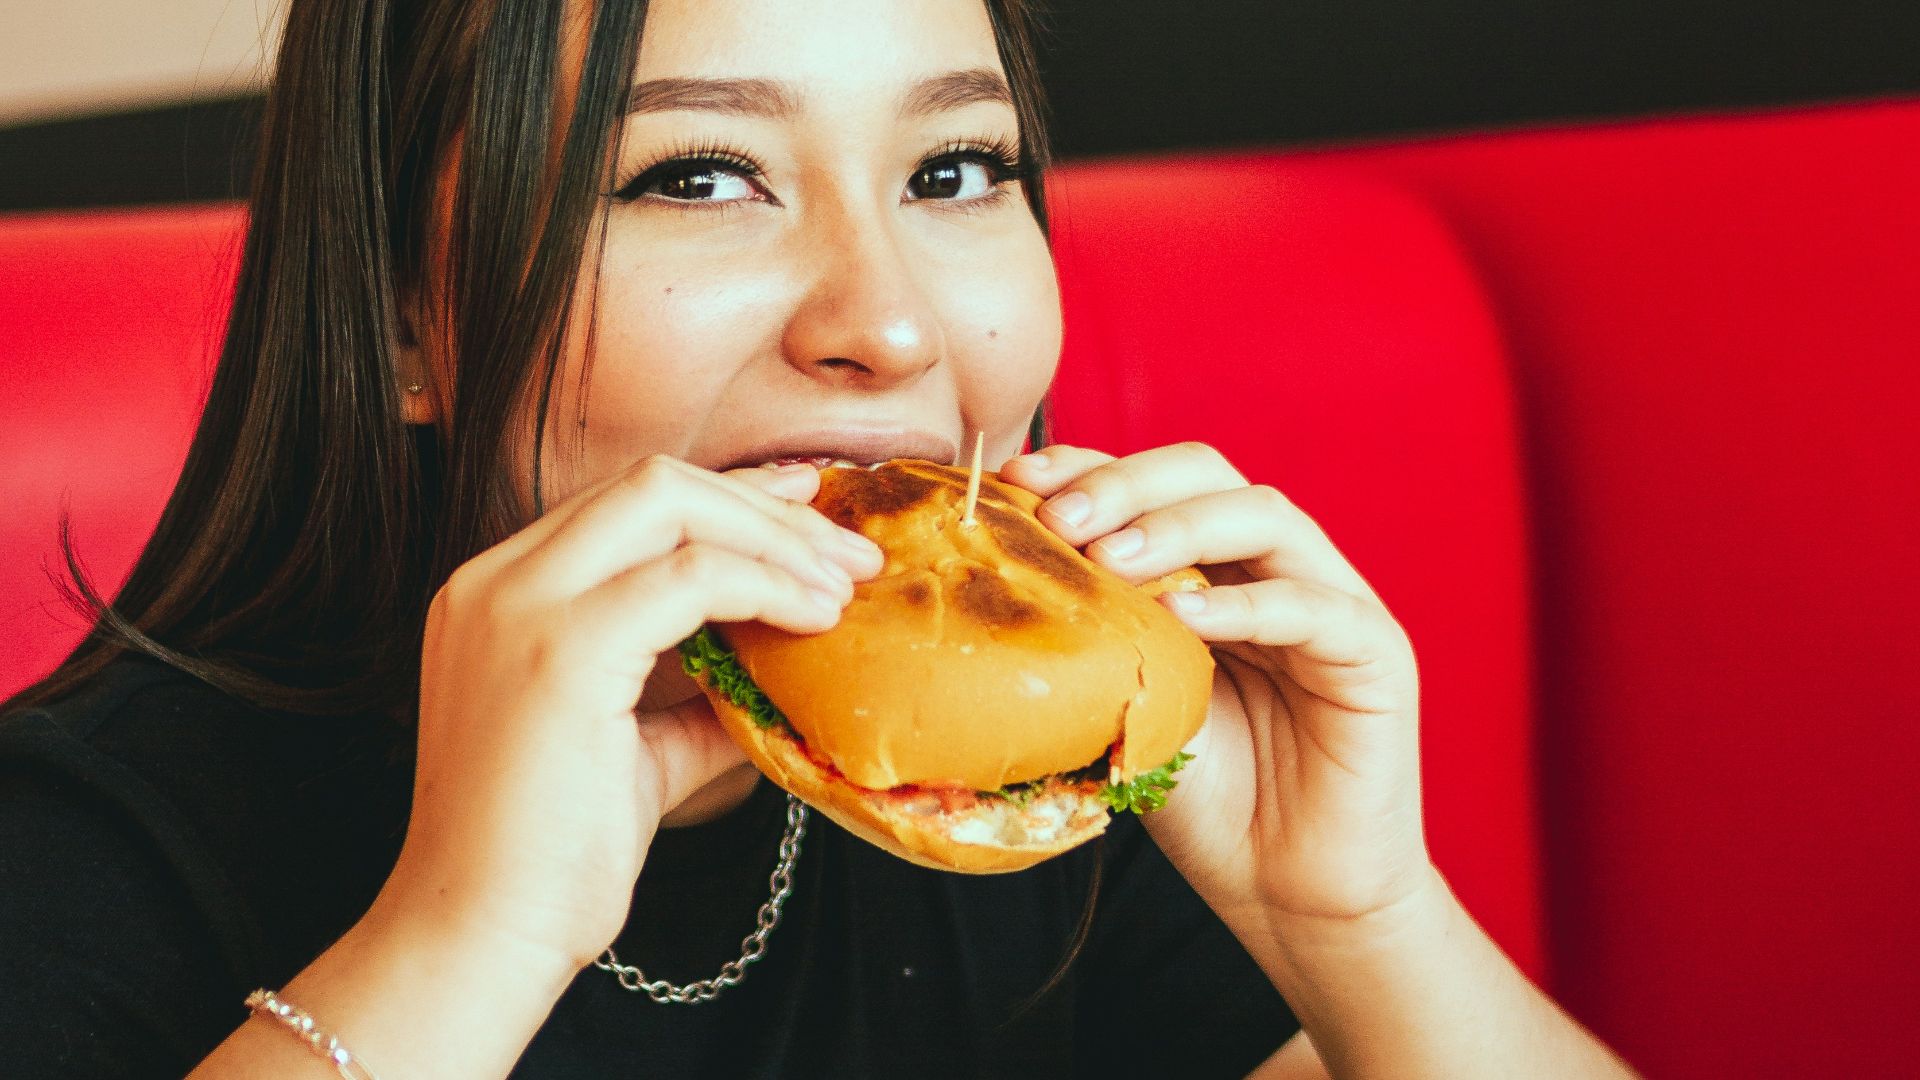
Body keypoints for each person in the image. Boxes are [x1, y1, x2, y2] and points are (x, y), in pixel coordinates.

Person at [0, 0, 1640, 1076]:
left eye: (956, 165)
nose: (893, 326)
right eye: (701, 175)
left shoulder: (1019, 808)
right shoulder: (73, 849)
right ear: (403, 322)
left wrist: (1354, 920)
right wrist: (465, 938)